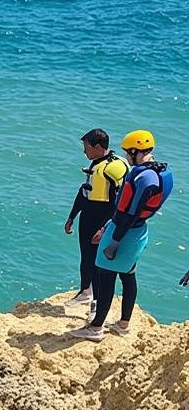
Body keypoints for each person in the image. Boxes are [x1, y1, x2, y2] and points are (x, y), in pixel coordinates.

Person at [70, 130, 173, 340]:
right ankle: (123, 324)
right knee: (128, 275)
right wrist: (107, 226)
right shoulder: (160, 172)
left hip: (123, 234)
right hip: (138, 232)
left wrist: (114, 241)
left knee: (105, 277)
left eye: (128, 153)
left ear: (136, 151)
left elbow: (129, 213)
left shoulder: (145, 178)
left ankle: (95, 328)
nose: (126, 157)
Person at [64, 128, 129, 305]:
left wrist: (105, 227)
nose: (84, 151)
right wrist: (72, 216)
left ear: (98, 146)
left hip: (101, 219)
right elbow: (84, 190)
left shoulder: (111, 169)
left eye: (86, 147)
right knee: (86, 256)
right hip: (89, 215)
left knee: (98, 262)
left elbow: (122, 201)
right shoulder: (99, 163)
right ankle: (86, 291)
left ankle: (96, 303)